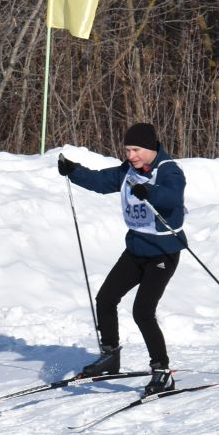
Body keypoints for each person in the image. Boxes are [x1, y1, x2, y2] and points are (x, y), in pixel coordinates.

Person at [57, 122, 187, 394]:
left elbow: (172, 196)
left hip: (162, 254)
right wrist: (74, 171)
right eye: (127, 149)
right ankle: (110, 356)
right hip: (136, 249)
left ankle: (162, 372)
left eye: (136, 149)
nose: (131, 156)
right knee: (105, 298)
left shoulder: (169, 171)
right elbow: (102, 181)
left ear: (151, 149)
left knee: (142, 311)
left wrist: (151, 192)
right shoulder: (128, 171)